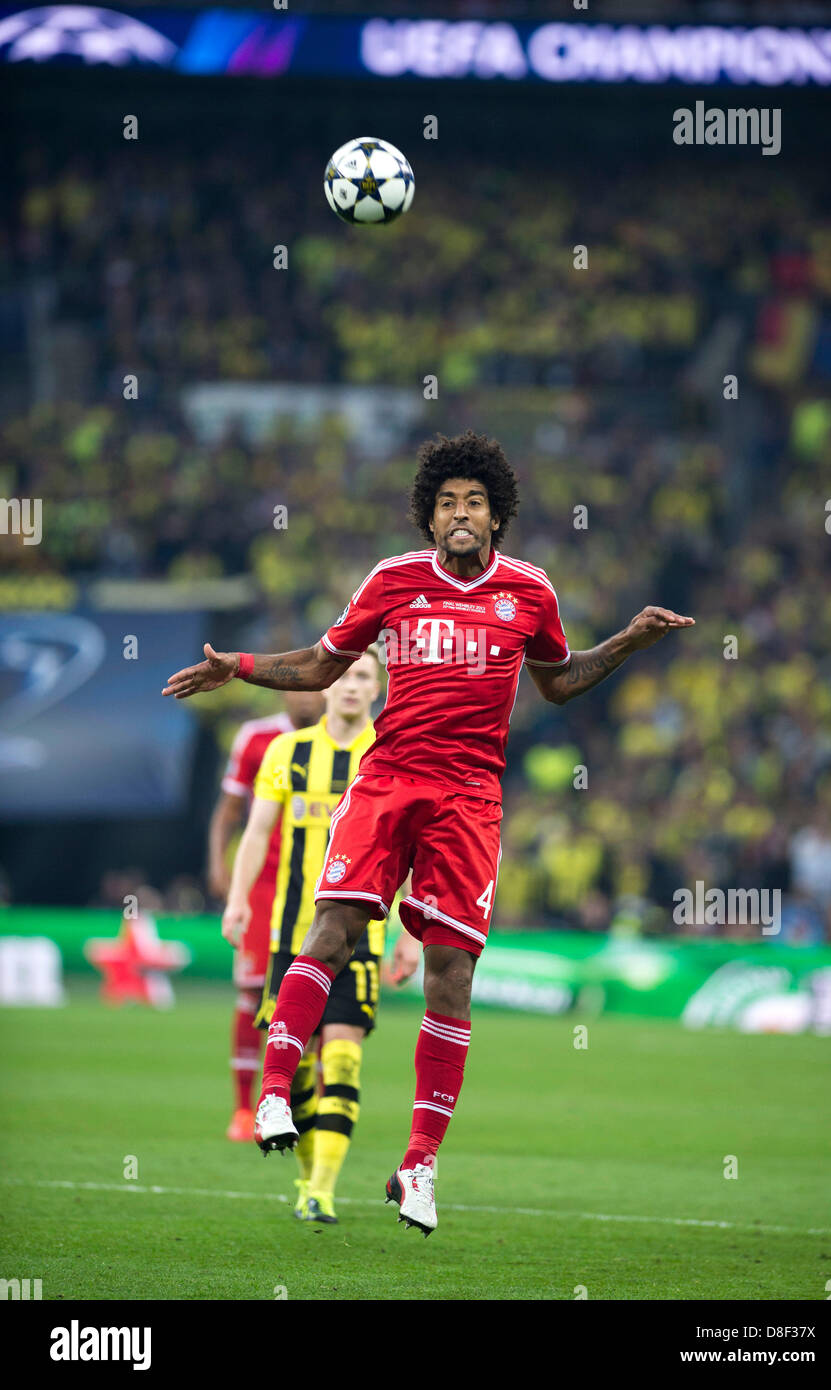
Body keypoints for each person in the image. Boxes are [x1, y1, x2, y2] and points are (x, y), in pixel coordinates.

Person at [163, 429, 694, 1236]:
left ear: (495, 517)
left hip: (469, 799)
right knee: (334, 929)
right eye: (445, 502)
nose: (458, 513)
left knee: (450, 975)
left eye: (473, 502)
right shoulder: (393, 579)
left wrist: (626, 642)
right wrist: (233, 665)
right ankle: (275, 1092)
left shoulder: (530, 593)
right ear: (428, 514)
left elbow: (557, 684)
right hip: (388, 779)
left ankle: (418, 1165)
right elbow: (317, 665)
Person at [221, 648, 417, 1222]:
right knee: (299, 1068)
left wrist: (409, 934)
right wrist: (237, 899)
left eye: (364, 677)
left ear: (379, 689)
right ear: (327, 684)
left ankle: (321, 1190)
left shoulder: (391, 755)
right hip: (291, 936)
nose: (352, 687)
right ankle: (307, 1177)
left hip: (362, 938)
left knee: (344, 1057)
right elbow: (257, 833)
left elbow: (409, 852)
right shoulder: (286, 753)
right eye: (345, 675)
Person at [209, 689, 324, 1141]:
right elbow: (230, 810)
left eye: (316, 685)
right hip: (263, 881)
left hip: (319, 882)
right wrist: (220, 864)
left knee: (313, 994)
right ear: (283, 691)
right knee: (253, 990)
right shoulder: (257, 738)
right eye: (298, 686)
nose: (307, 696)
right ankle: (243, 1108)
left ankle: (297, 1104)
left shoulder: (349, 739)